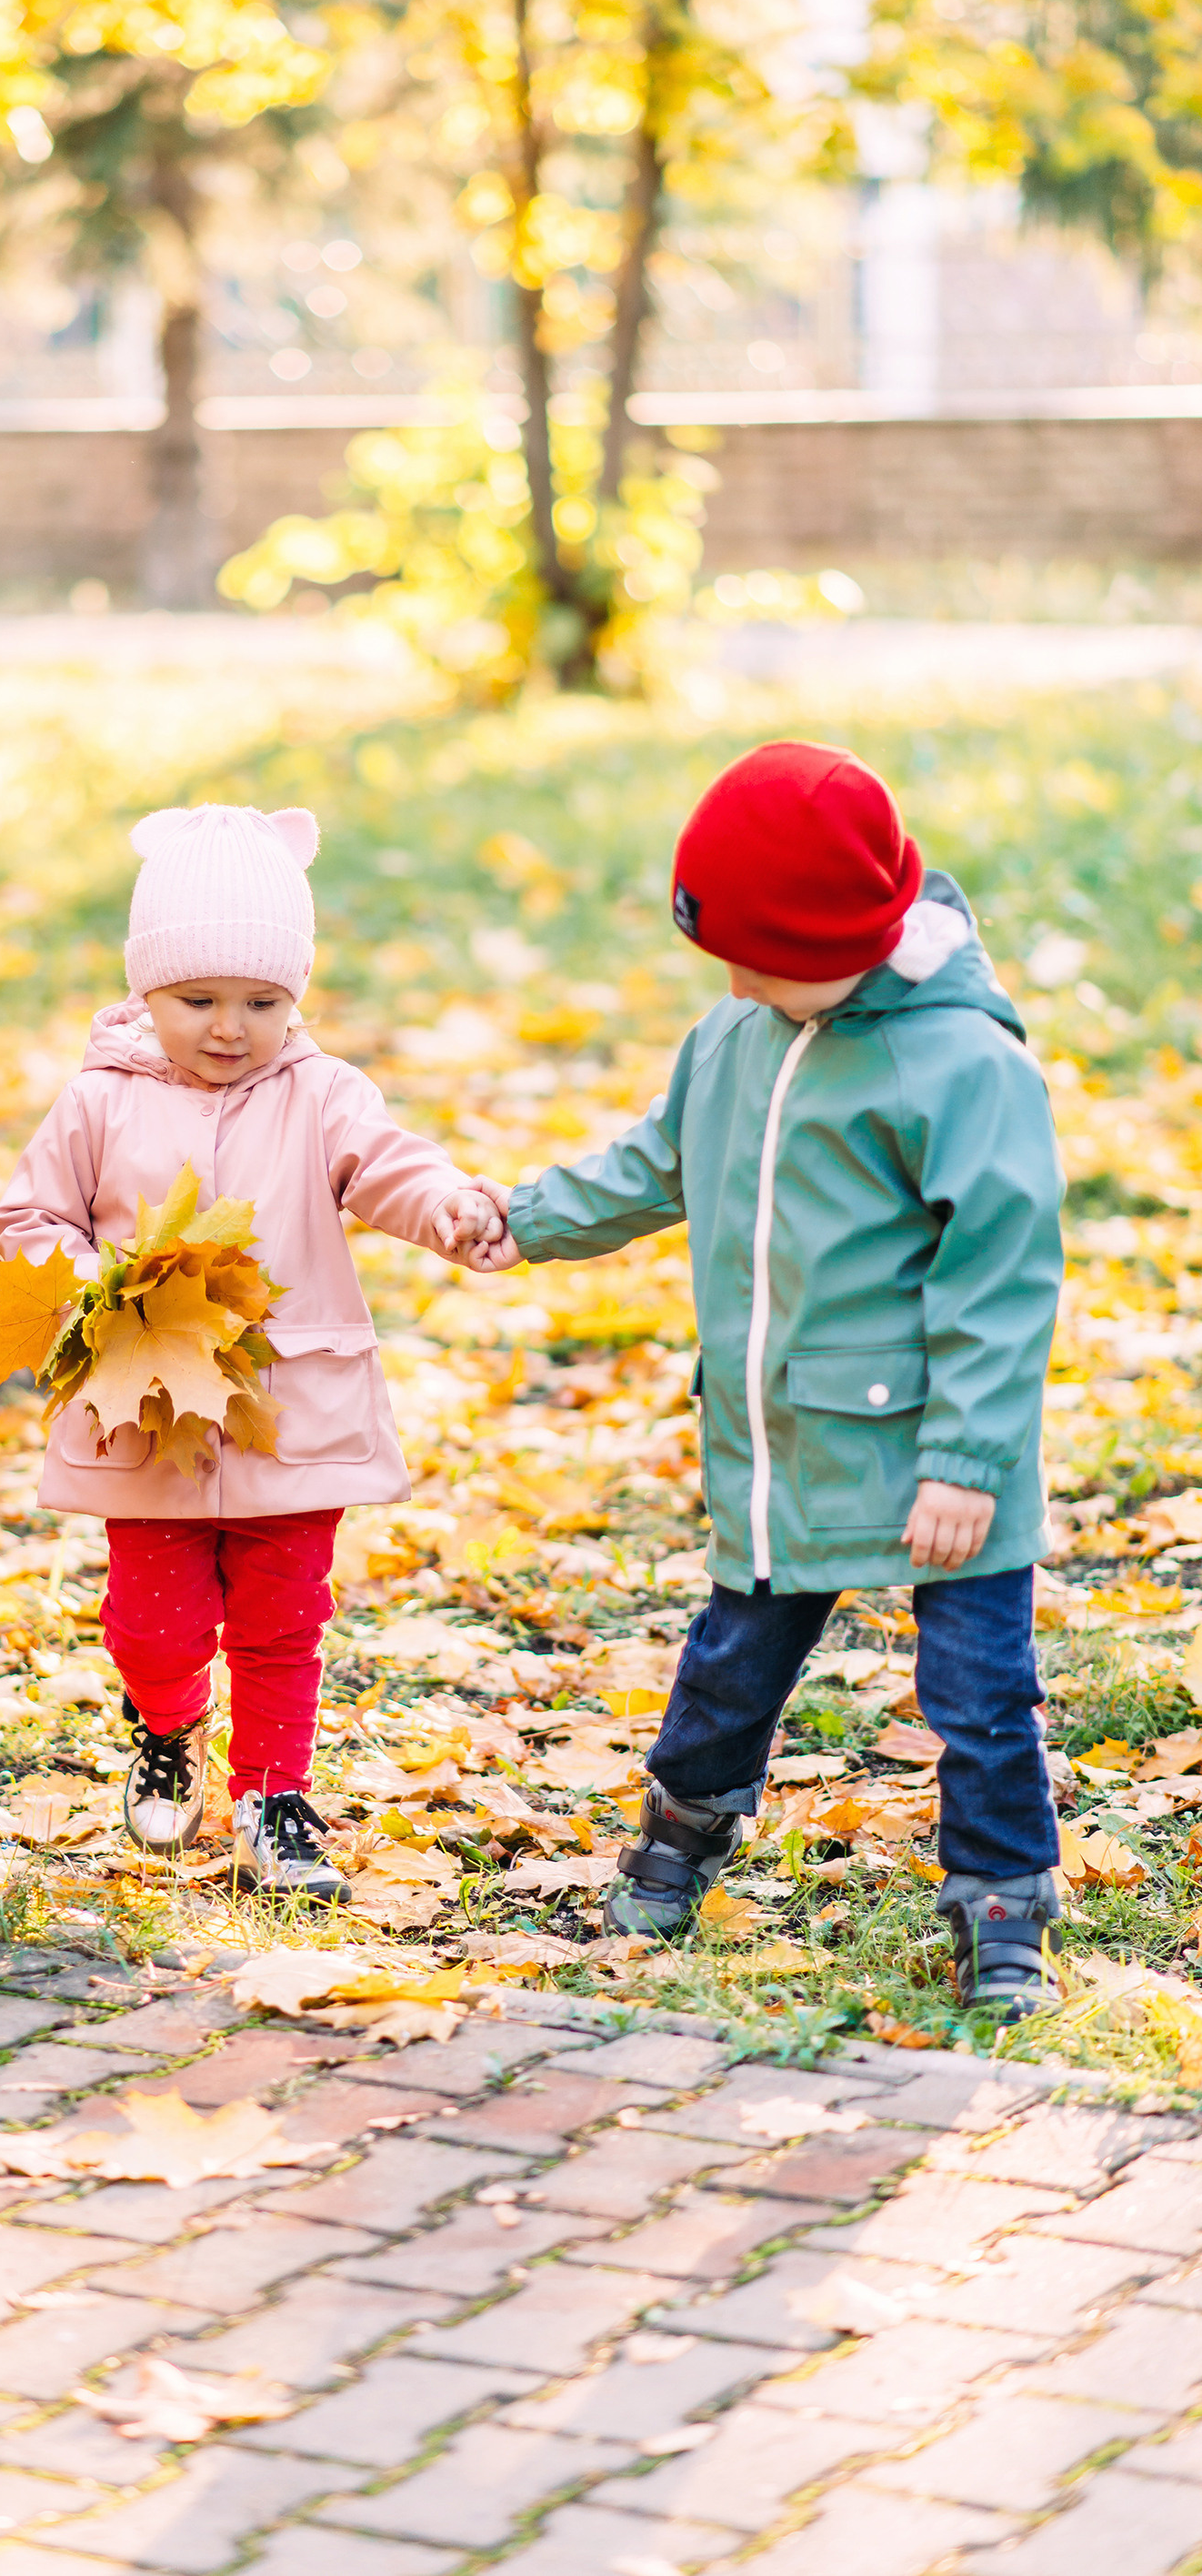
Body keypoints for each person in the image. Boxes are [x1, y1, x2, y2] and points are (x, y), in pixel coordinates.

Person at [475, 740, 1067, 2016]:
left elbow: (1000, 1278)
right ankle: (686, 1824)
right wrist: (522, 1219)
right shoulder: (742, 1032)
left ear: (847, 935)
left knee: (977, 1691)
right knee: (733, 1656)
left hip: (937, 1457)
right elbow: (655, 1162)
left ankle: (1005, 1897)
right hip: (786, 1435)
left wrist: (967, 1462)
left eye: (756, 956)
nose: (734, 979)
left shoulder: (964, 1066)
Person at [0, 801, 506, 1901]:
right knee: (153, 1624)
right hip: (150, 1413)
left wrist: (450, 1207)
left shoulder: (318, 1095)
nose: (229, 1027)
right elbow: (30, 1223)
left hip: (291, 1406)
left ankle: (272, 1798)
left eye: (262, 1002)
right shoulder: (97, 1101)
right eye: (198, 1000)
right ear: (145, 991)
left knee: (283, 1621)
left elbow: (387, 1167)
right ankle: (167, 1720)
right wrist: (91, 1285)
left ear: (295, 997)